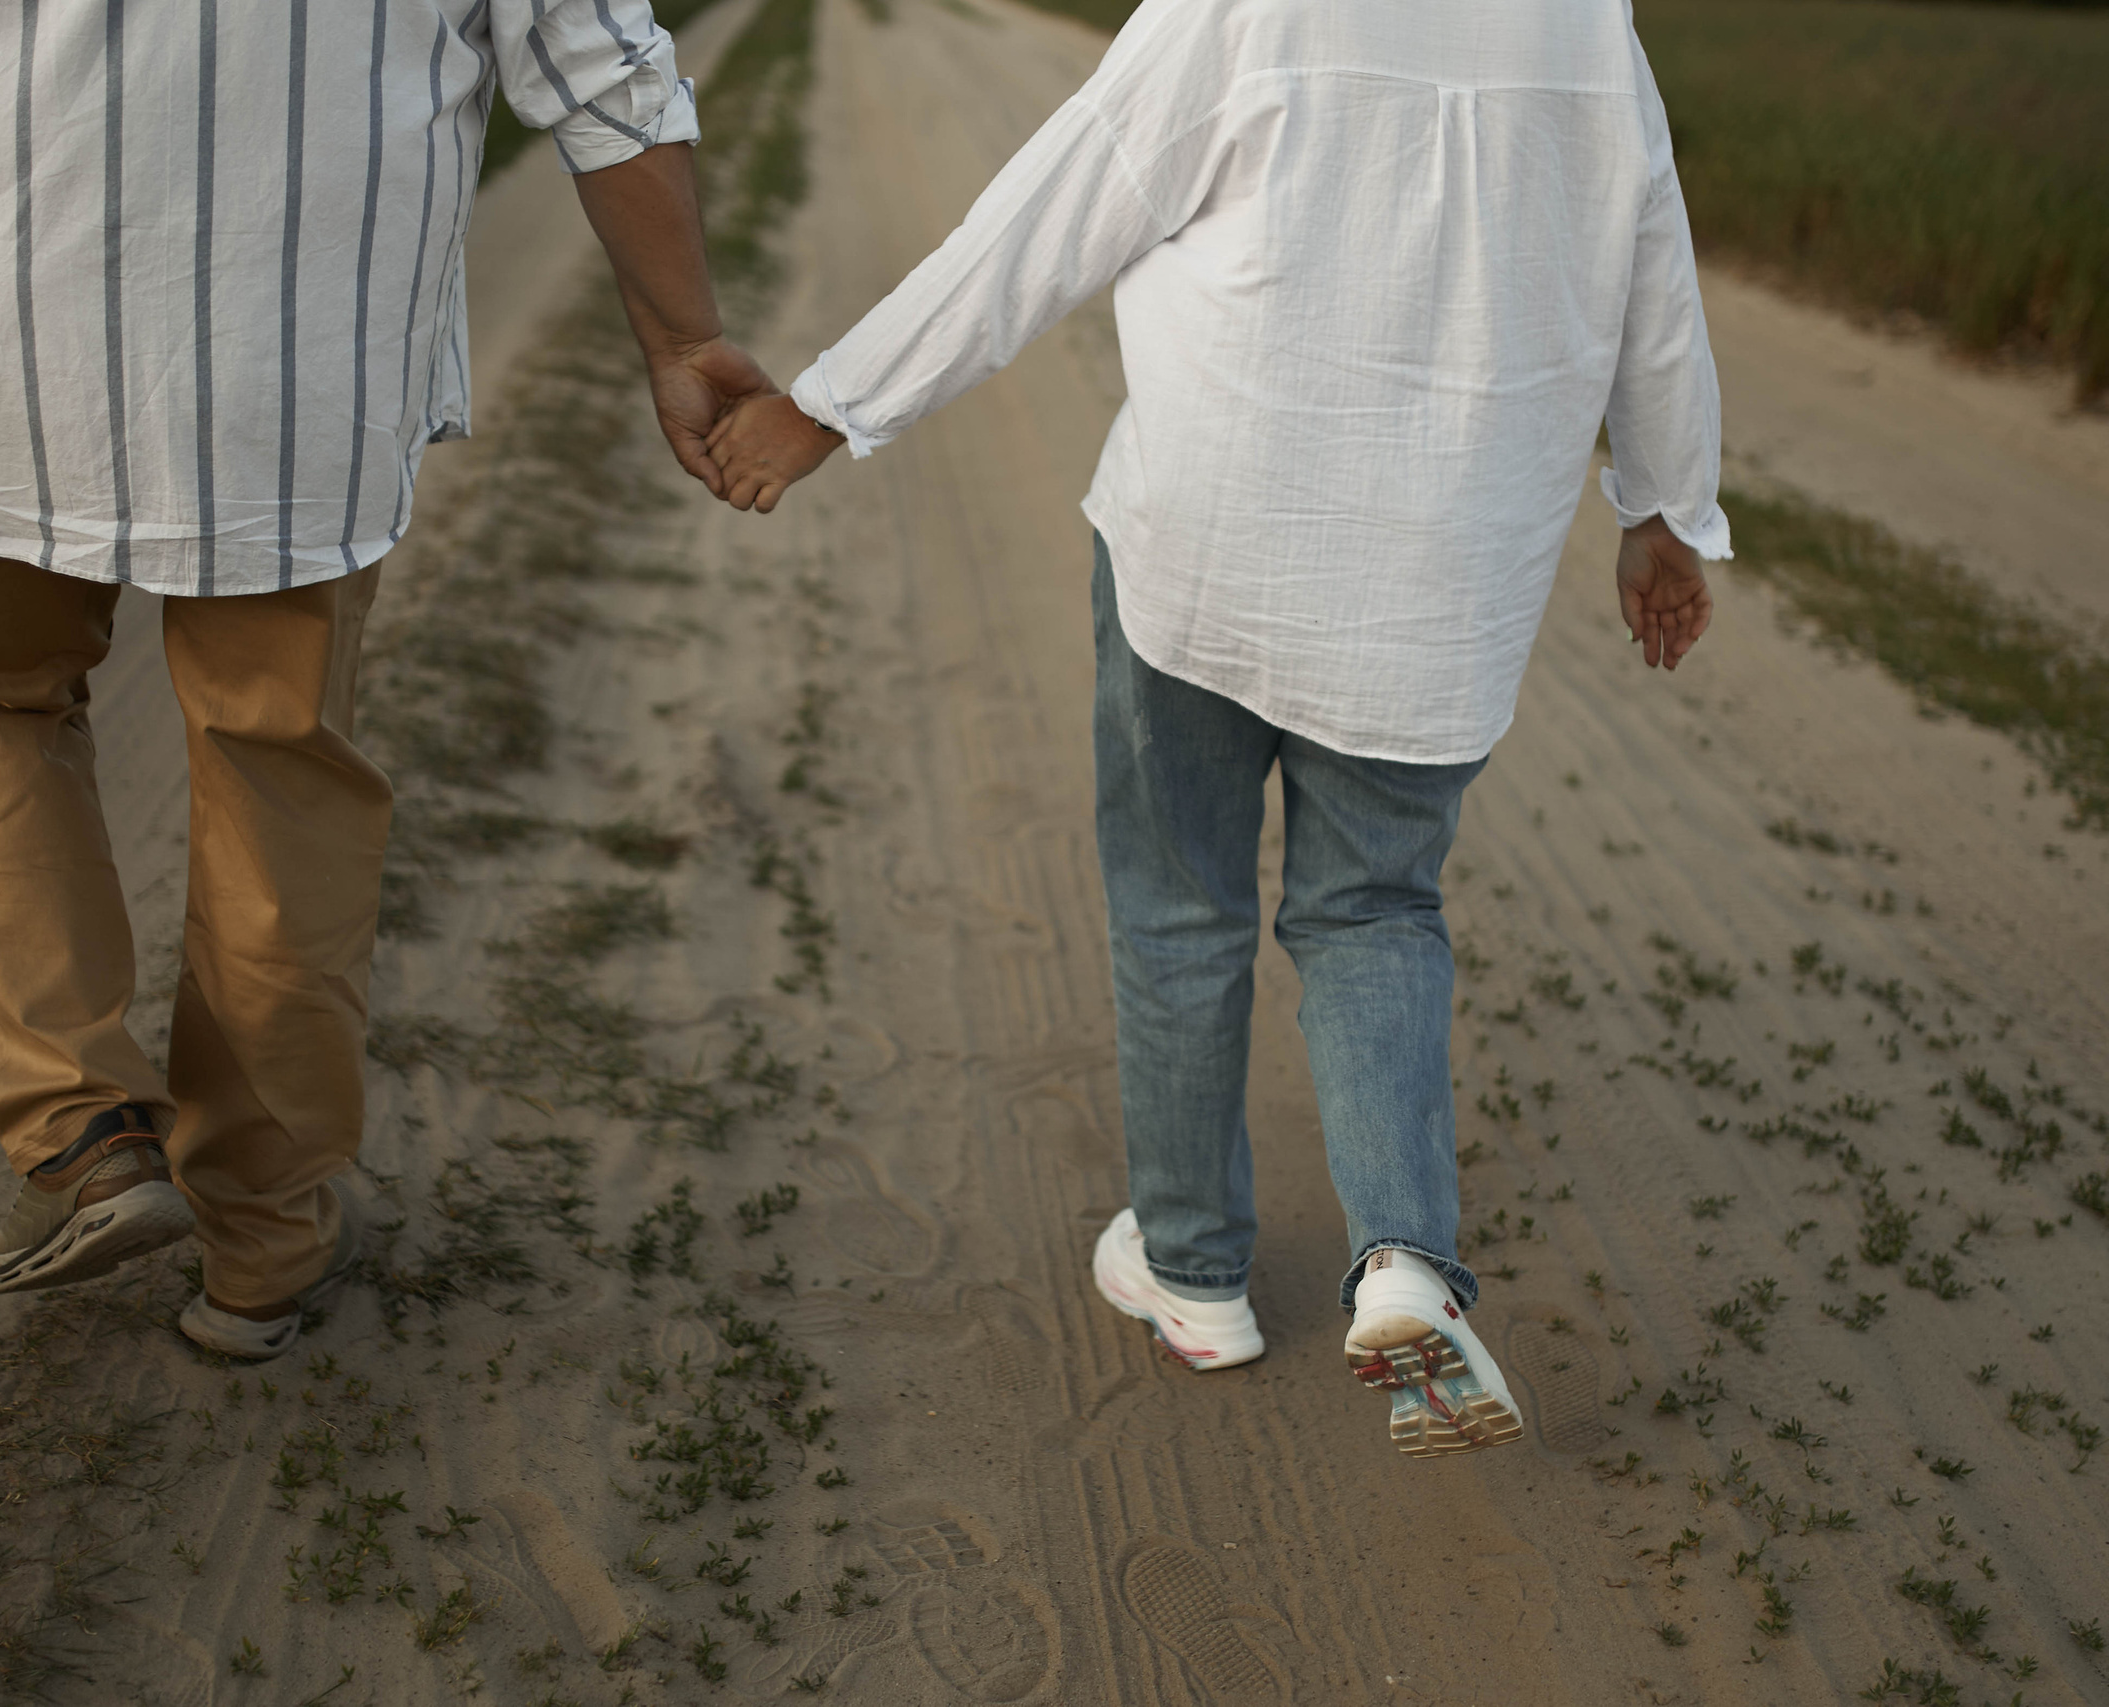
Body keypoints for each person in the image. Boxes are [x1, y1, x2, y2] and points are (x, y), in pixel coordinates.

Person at [0, 0, 774, 1361]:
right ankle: (265, 1241)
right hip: (301, 359)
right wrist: (678, 338)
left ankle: (83, 1130)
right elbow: (600, 60)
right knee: (275, 759)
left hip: (7, 344)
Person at [708, 0, 1723, 1455]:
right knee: (1375, 909)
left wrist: (828, 408)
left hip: (1215, 548)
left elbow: (1043, 220)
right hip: (1438, 586)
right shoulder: (1585, 27)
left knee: (1179, 902)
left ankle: (1194, 1276)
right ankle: (1403, 1266)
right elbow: (1655, 282)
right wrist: (1663, 515)